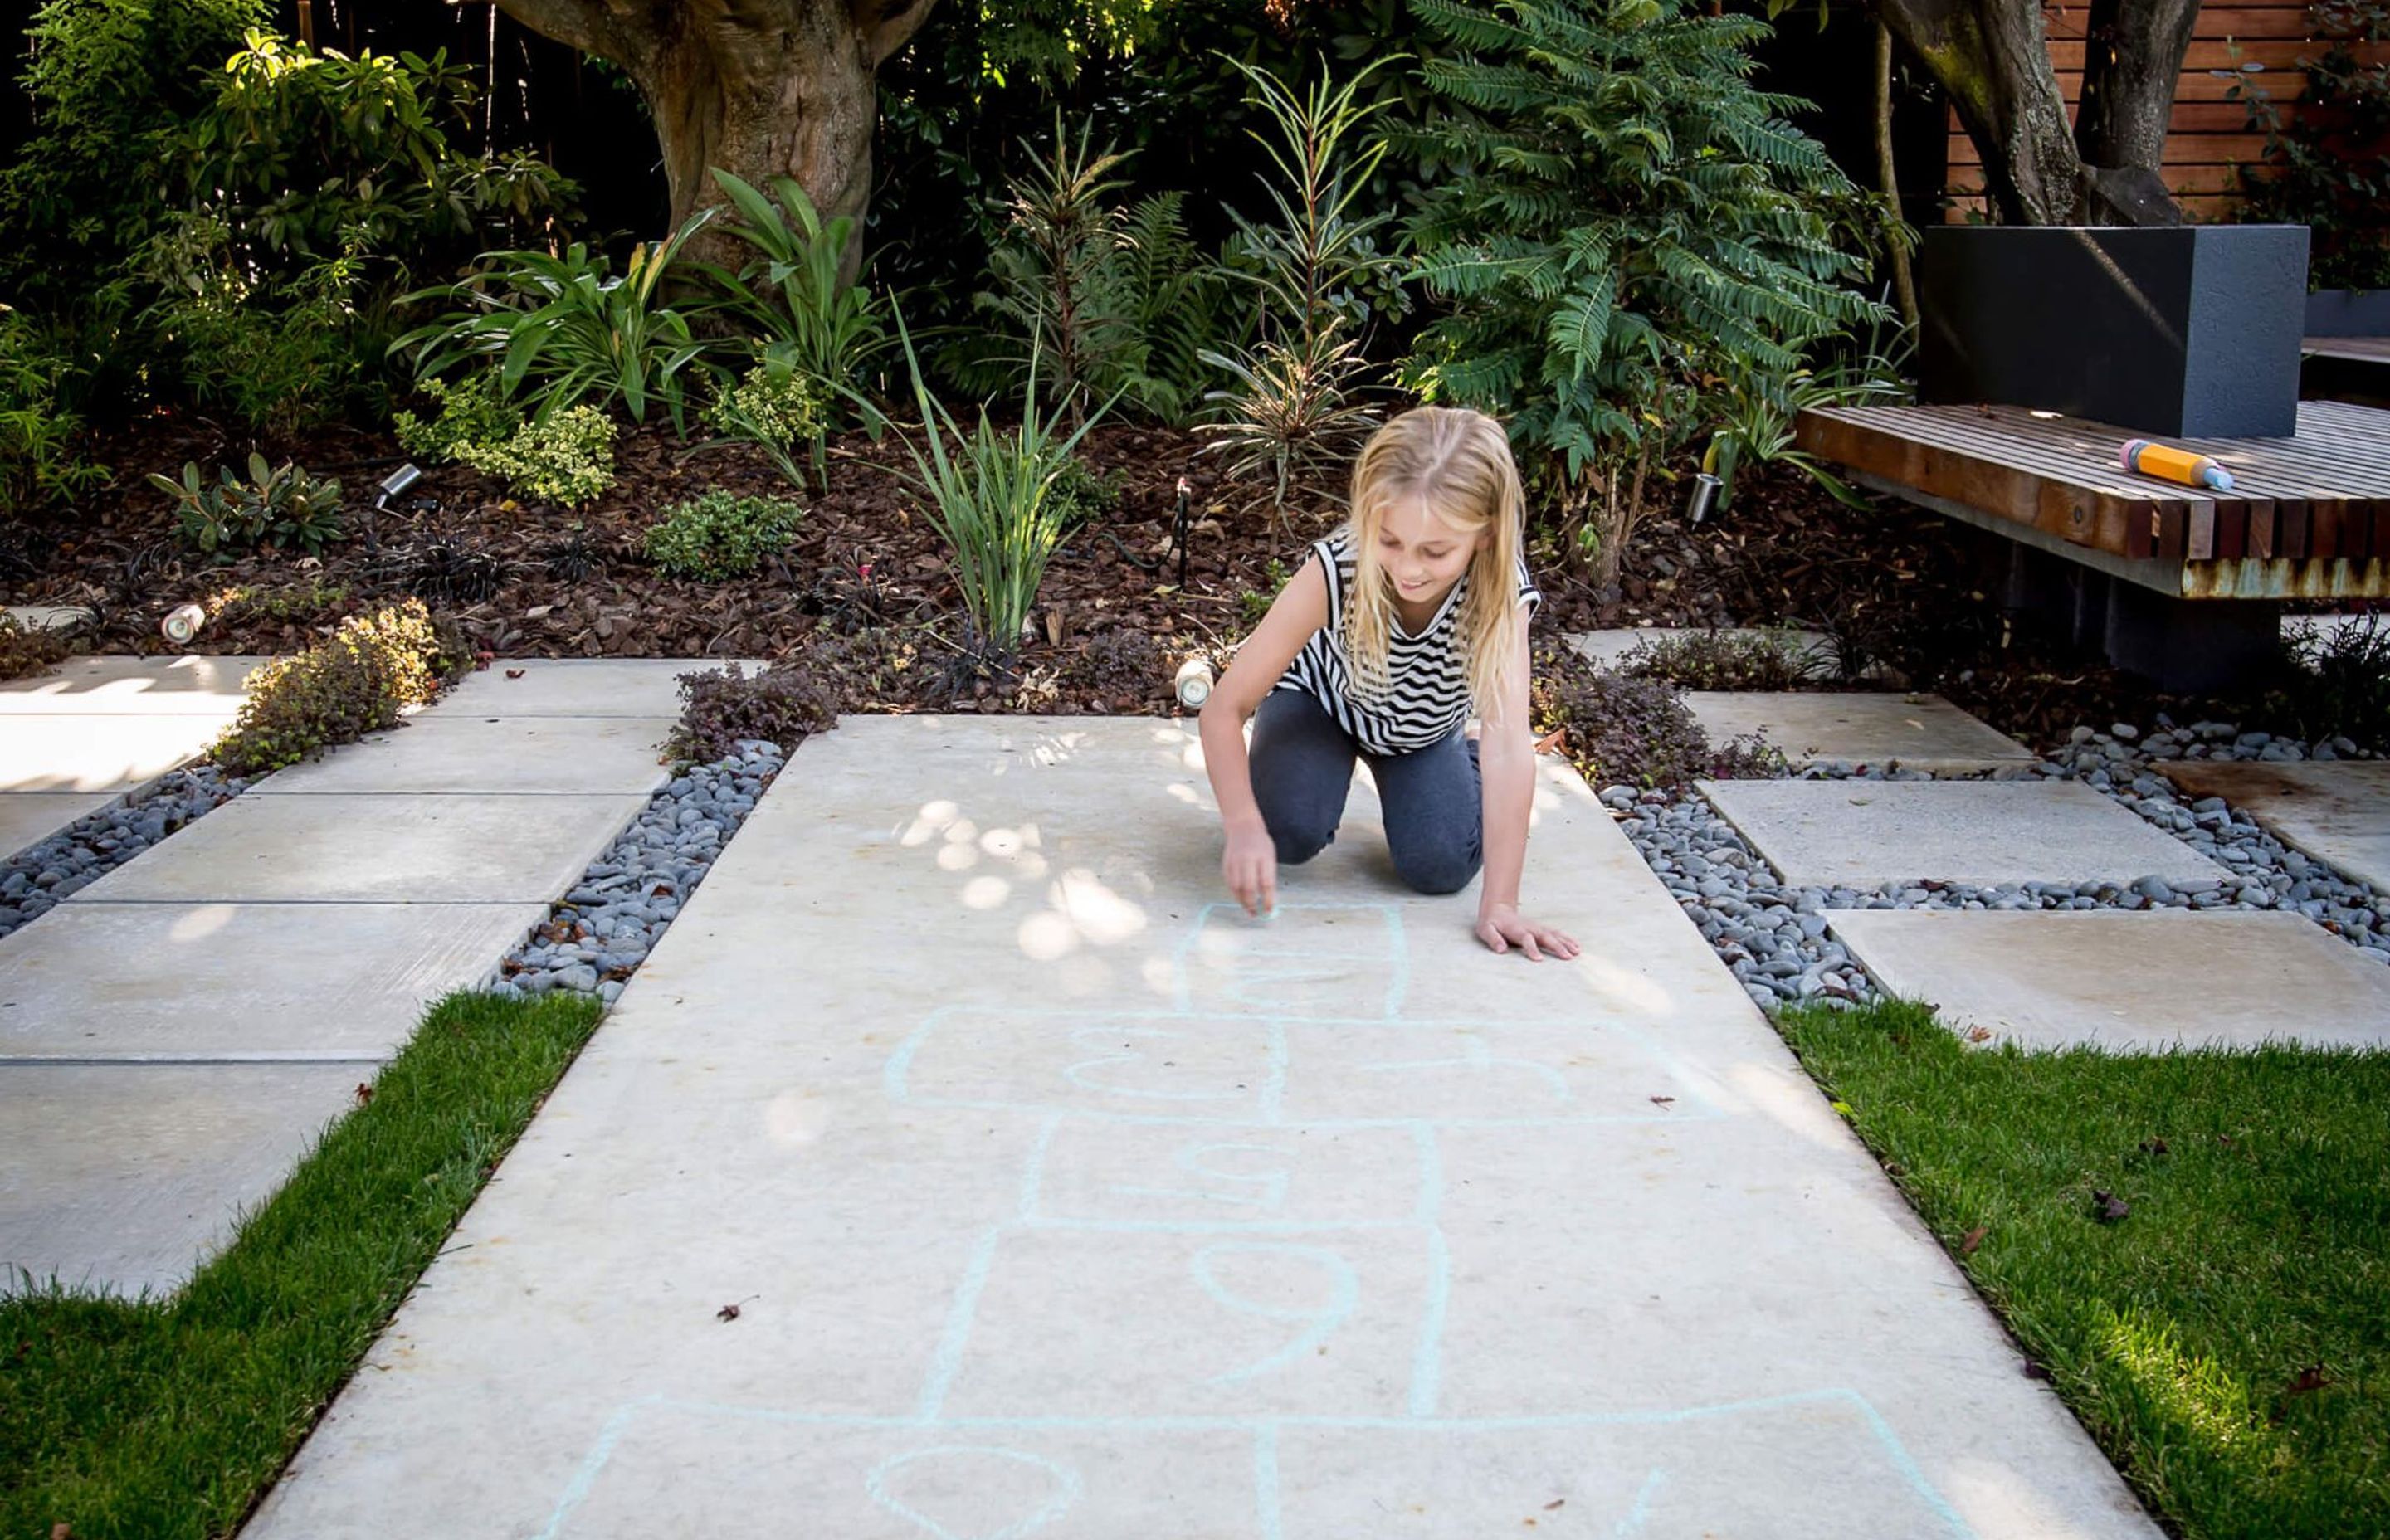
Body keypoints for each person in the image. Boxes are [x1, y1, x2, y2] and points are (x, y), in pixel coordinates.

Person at [1197, 406, 1581, 961]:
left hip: (1420, 732)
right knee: (1284, 832)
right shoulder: (1340, 566)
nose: (1408, 569)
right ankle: (1299, 788)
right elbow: (1223, 709)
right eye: (1391, 540)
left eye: (1436, 551)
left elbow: (1508, 743)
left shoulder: (1499, 592)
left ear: (1486, 533)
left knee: (1440, 866)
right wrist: (1241, 823)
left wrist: (1502, 902)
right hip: (1322, 707)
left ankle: (1456, 758)